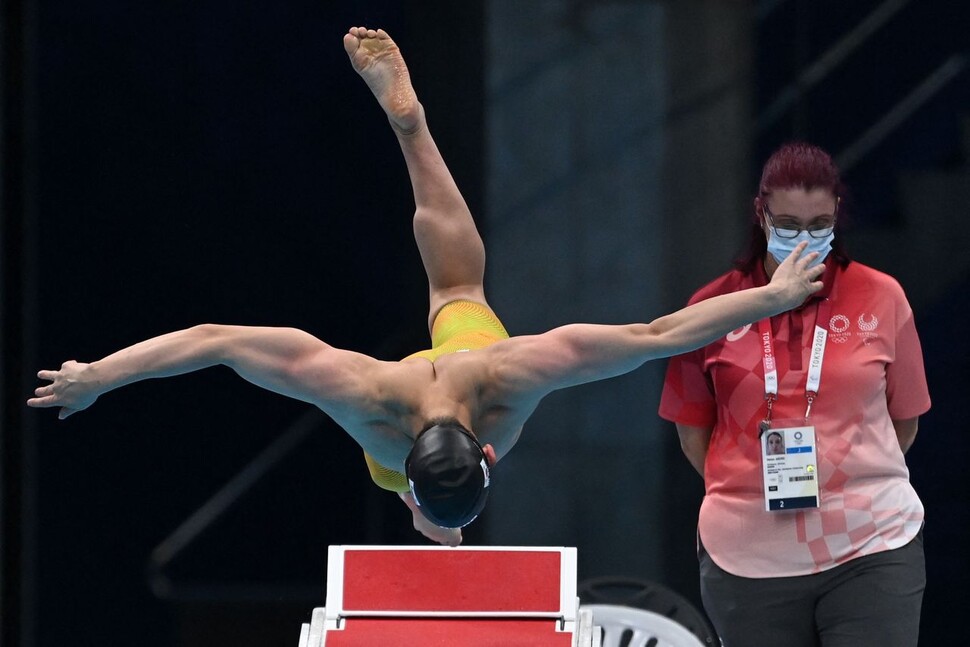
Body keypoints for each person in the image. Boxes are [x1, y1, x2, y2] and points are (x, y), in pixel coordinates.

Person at [28, 27, 824, 548]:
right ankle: (413, 130)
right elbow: (658, 334)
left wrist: (104, 374)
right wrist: (772, 299)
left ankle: (413, 127)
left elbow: (217, 343)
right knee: (458, 288)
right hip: (466, 364)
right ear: (481, 452)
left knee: (456, 285)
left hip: (437, 391)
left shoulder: (365, 391)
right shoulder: (506, 374)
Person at [659, 142, 930, 646]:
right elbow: (692, 435)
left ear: (836, 218)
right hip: (747, 557)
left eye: (818, 224)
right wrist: (745, 481)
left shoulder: (883, 296)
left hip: (871, 544)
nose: (803, 238)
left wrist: (844, 479)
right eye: (787, 224)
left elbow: (904, 422)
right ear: (760, 215)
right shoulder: (712, 307)